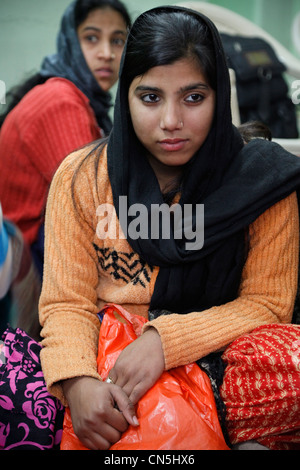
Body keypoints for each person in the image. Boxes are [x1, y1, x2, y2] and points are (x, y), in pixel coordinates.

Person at [39, 6, 300, 450]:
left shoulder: (261, 183)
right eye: (150, 97)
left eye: (194, 97)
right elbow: (67, 303)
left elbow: (268, 304)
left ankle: (225, 427)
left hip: (216, 361)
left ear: (219, 96)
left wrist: (166, 342)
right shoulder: (82, 176)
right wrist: (78, 384)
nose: (171, 122)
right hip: (106, 367)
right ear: (126, 97)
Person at [0, 0, 131, 279]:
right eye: (91, 38)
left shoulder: (82, 100)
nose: (106, 53)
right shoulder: (62, 102)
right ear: (70, 40)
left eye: (118, 40)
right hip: (23, 271)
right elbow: (96, 208)